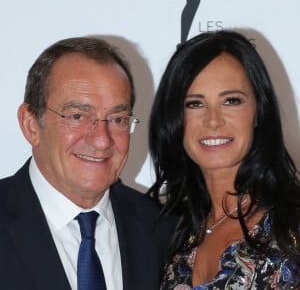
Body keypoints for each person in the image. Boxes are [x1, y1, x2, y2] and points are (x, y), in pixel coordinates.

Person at [0, 36, 175, 290]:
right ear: (31, 124)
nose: (102, 140)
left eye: (117, 119)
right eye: (77, 116)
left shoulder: (161, 229)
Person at [148, 30, 300, 289]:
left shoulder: (291, 226)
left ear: (258, 112)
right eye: (194, 104)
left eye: (231, 101)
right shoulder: (168, 229)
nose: (213, 120)